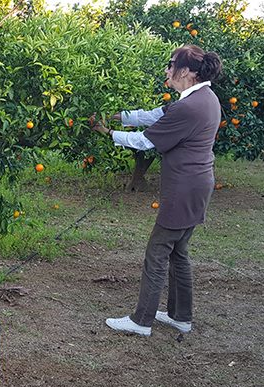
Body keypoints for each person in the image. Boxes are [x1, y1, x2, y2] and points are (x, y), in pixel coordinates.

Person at [90, 45, 222, 336]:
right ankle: (180, 316)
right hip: (198, 185)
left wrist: (107, 133)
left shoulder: (190, 107)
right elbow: (153, 115)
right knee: (179, 251)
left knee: (157, 251)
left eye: (171, 64)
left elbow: (145, 141)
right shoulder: (204, 98)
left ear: (185, 72)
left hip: (183, 189)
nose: (167, 70)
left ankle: (142, 320)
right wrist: (116, 116)